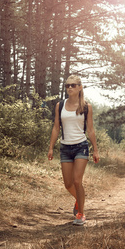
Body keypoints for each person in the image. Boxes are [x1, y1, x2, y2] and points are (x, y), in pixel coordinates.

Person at [47, 75, 100, 226]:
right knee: (68, 184)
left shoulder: (86, 106)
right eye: (67, 85)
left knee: (77, 181)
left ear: (80, 87)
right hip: (65, 147)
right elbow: (56, 127)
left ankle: (81, 214)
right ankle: (80, 200)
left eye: (73, 85)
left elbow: (90, 129)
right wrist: (51, 147)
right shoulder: (60, 105)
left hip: (81, 147)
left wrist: (95, 150)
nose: (69, 88)